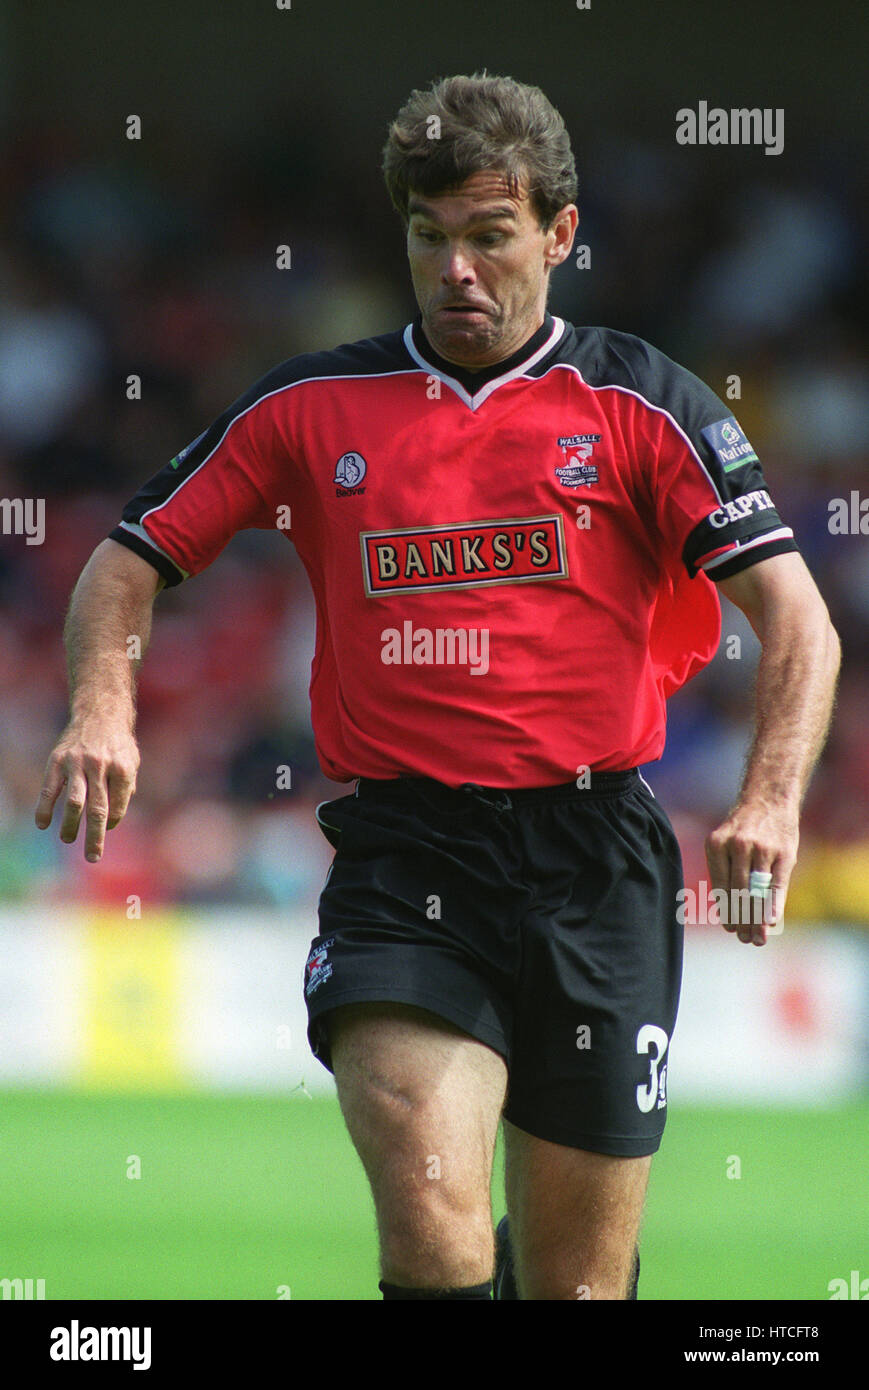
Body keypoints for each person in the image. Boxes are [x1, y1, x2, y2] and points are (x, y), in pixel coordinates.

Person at [35, 72, 841, 1300]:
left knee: (577, 1285)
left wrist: (769, 796)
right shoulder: (312, 406)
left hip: (597, 863)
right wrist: (102, 710)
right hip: (406, 856)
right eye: (428, 238)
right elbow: (125, 554)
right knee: (431, 1214)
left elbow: (795, 617)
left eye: (487, 235)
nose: (455, 267)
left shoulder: (640, 402)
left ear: (559, 237)